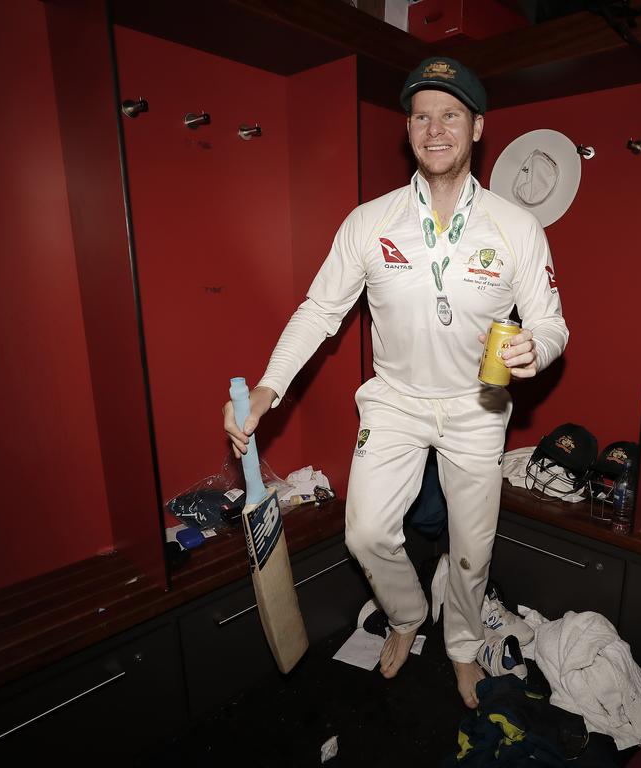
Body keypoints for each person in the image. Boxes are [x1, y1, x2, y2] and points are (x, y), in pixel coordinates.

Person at [223, 56, 568, 708]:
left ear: (477, 127)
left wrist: (536, 348)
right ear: (408, 129)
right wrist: (271, 386)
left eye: (450, 115)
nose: (435, 129)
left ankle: (463, 646)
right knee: (366, 534)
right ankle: (408, 615)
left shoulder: (516, 226)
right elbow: (320, 310)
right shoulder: (369, 222)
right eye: (421, 117)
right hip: (396, 401)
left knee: (471, 551)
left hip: (478, 404)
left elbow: (553, 324)